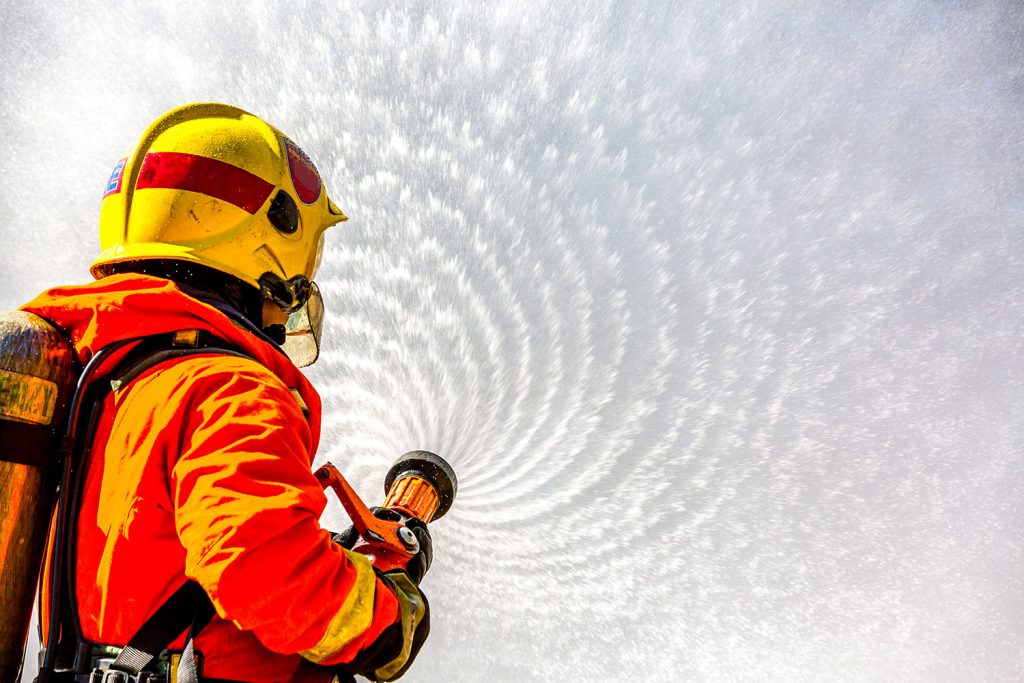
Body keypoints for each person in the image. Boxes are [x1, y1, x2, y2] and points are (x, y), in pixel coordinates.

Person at [20, 103, 430, 683]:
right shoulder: (229, 390)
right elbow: (266, 571)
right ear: (266, 242)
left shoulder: (110, 380)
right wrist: (388, 620)